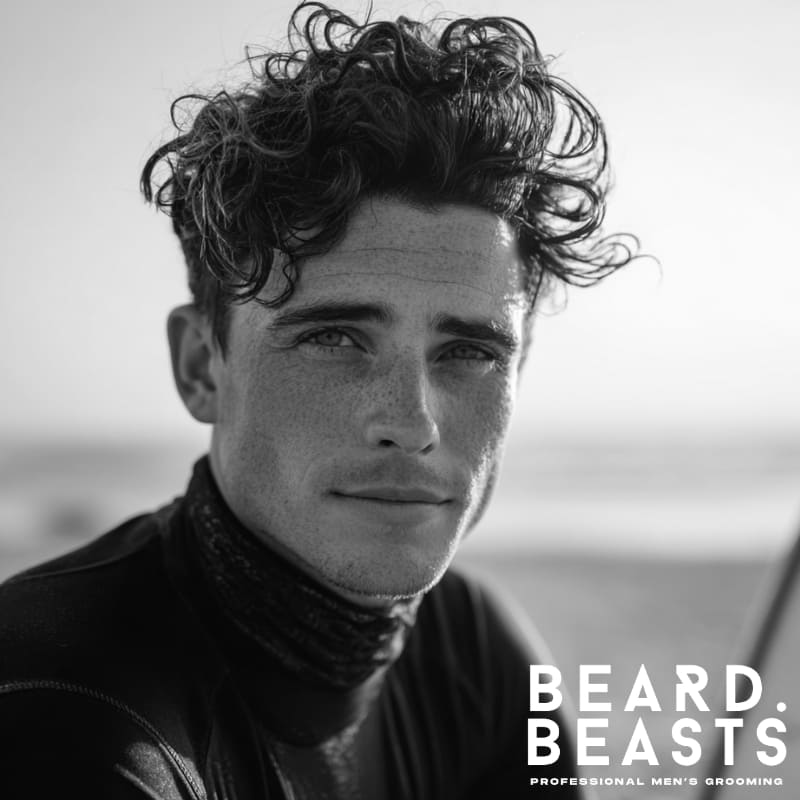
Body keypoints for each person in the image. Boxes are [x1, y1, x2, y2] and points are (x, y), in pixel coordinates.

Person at [0, 3, 634, 797]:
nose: (412, 423)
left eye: (468, 351)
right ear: (202, 365)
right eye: (335, 338)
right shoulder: (62, 721)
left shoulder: (472, 651)